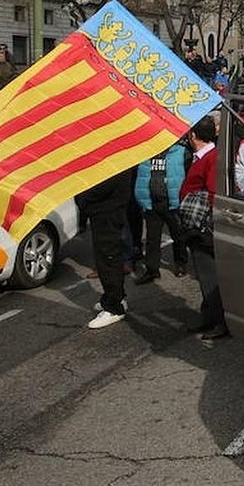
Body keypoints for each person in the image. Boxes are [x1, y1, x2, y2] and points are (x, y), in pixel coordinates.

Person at [180, 116, 226, 340]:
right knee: (204, 274)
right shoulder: (203, 156)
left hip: (203, 227)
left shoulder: (211, 157)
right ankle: (208, 316)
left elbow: (212, 192)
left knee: (210, 277)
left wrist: (206, 224)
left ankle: (219, 321)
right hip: (197, 227)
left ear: (193, 136)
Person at [77, 168, 135, 329]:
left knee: (108, 257)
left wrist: (83, 197)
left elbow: (106, 183)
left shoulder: (117, 158)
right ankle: (116, 296)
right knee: (107, 256)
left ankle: (114, 307)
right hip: (105, 209)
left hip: (108, 210)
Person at [132, 140, 189, 283]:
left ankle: (180, 264)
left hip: (173, 202)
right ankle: (152, 270)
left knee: (178, 235)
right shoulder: (146, 152)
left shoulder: (181, 152)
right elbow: (140, 177)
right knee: (152, 239)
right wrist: (141, 199)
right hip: (152, 203)